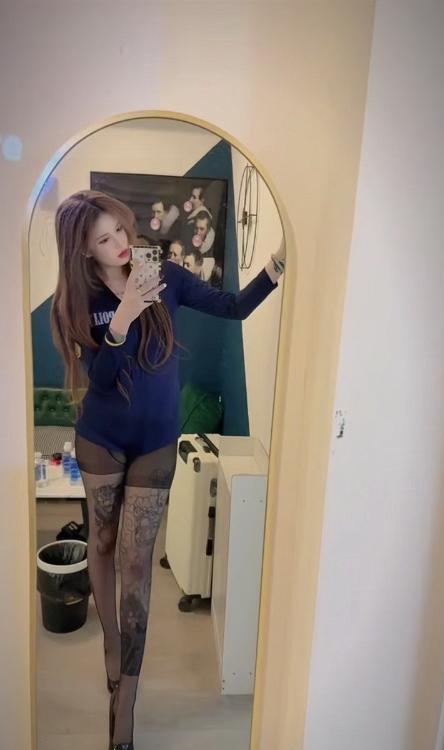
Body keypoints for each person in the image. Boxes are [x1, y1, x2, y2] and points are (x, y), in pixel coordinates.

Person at [50, 189, 285, 750]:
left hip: (156, 440)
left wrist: (277, 265)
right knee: (101, 543)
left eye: (121, 229)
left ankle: (126, 700)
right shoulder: (77, 300)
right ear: (83, 250)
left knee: (136, 564)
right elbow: (100, 381)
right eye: (104, 238)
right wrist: (122, 317)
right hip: (101, 438)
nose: (120, 243)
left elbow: (234, 307)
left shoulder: (166, 278)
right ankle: (112, 646)